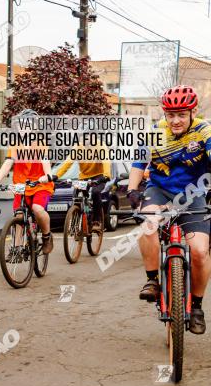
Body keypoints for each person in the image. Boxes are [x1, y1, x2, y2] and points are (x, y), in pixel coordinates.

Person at [127, 84, 211, 334]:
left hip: (193, 194)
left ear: (192, 112)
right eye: (171, 114)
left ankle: (196, 306)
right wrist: (132, 190)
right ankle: (152, 280)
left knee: (198, 251)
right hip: (160, 190)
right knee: (149, 224)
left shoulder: (204, 131)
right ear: (164, 113)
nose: (175, 120)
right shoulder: (154, 132)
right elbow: (139, 164)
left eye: (181, 115)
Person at [0, 109, 54, 254]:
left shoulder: (40, 143)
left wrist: (48, 176)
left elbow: (45, 161)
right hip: (21, 186)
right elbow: (8, 162)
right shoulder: (15, 144)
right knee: (19, 216)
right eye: (21, 124)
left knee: (37, 209)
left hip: (41, 185)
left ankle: (47, 236)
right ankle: (17, 247)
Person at [47, 142, 112, 233]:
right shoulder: (78, 146)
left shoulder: (100, 146)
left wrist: (106, 176)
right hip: (84, 176)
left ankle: (97, 221)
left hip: (99, 176)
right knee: (77, 194)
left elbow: (106, 161)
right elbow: (68, 162)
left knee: (95, 192)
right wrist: (56, 175)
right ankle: (79, 216)